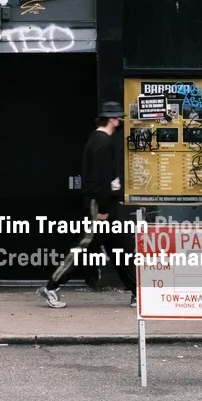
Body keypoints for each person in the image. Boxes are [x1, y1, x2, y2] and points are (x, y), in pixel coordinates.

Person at [38, 101, 137, 309]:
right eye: (118, 118)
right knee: (85, 246)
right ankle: (51, 286)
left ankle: (137, 292)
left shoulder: (98, 140)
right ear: (111, 119)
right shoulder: (102, 143)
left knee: (118, 248)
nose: (120, 121)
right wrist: (103, 208)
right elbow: (100, 179)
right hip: (100, 206)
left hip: (104, 203)